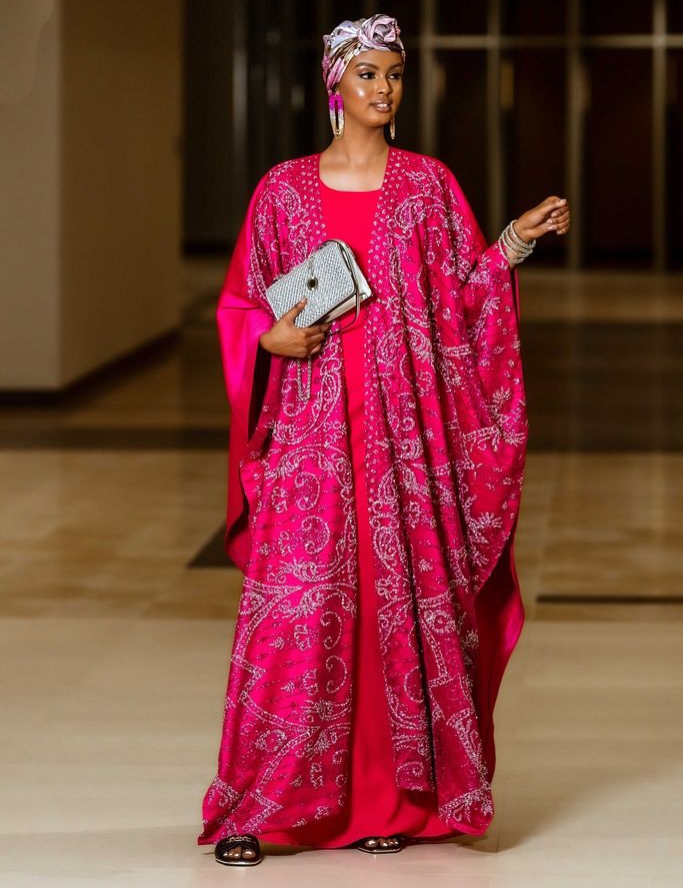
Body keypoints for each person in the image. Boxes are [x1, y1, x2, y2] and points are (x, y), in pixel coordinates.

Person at [197, 13, 571, 867]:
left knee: (391, 596)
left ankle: (391, 801)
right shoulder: (282, 190)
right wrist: (267, 339)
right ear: (334, 81)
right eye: (367, 73)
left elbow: (463, 295)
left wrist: (512, 241)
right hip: (309, 433)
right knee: (298, 610)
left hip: (405, 432)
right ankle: (263, 803)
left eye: (394, 75)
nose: (383, 89)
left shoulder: (427, 187)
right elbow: (242, 303)